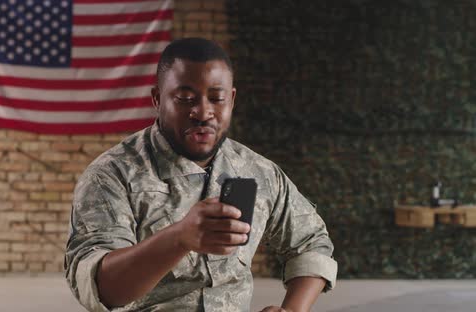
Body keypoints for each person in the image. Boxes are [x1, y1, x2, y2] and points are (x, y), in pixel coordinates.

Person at [64, 37, 337, 312]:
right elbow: (102, 289)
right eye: (185, 99)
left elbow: (311, 242)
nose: (203, 112)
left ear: (231, 99)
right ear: (158, 99)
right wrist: (179, 238)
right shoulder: (111, 175)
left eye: (217, 99)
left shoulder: (258, 172)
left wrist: (293, 310)